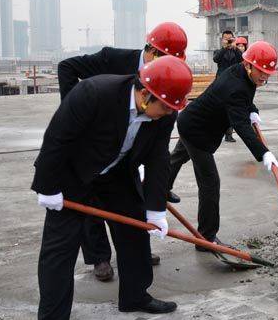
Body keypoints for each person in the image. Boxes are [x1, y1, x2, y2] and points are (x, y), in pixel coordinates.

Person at [32, 57, 193, 320]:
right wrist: (47, 186)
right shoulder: (93, 93)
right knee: (59, 249)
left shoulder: (164, 113)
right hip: (73, 174)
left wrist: (156, 208)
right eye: (166, 108)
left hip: (117, 173)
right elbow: (57, 138)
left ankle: (135, 295)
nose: (169, 114)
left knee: (135, 231)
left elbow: (159, 156)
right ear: (145, 95)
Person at [56, 22, 188, 281]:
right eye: (165, 58)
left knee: (132, 200)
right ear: (150, 51)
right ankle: (100, 258)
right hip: (97, 144)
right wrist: (76, 115)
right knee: (91, 203)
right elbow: (67, 68)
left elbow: (159, 153)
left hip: (131, 146)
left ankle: (135, 249)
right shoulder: (111, 60)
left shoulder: (165, 83)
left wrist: (157, 208)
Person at [167, 41, 278, 246]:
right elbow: (241, 126)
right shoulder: (235, 85)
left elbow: (245, 97)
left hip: (191, 120)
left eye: (268, 73)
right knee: (210, 183)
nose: (264, 77)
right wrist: (263, 152)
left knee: (177, 157)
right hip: (197, 132)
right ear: (248, 65)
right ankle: (206, 237)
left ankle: (159, 188)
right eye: (261, 71)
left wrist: (252, 109)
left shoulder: (239, 72)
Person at [213, 30, 242, 143]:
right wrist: (225, 47)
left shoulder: (236, 51)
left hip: (233, 83)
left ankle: (229, 134)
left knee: (231, 109)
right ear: (222, 39)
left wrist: (235, 48)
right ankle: (216, 132)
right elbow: (216, 59)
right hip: (221, 83)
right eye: (226, 39)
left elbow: (242, 59)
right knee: (219, 109)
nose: (229, 41)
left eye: (230, 38)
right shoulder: (218, 51)